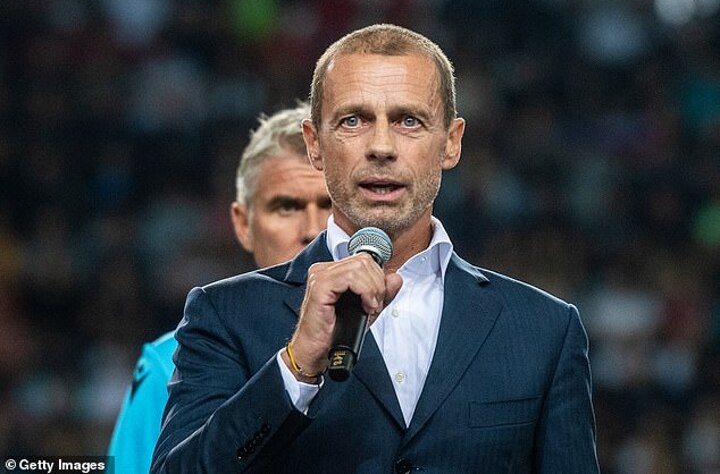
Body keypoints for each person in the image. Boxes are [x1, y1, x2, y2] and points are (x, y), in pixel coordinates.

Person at [151, 24, 599, 473]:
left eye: (409, 121)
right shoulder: (224, 315)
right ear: (314, 145)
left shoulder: (546, 330)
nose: (381, 147)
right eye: (353, 120)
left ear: (451, 142)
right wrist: (295, 365)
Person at [108, 103, 331, 474]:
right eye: (286, 207)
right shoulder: (169, 362)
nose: (312, 230)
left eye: (330, 205)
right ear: (243, 224)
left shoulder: (394, 339)